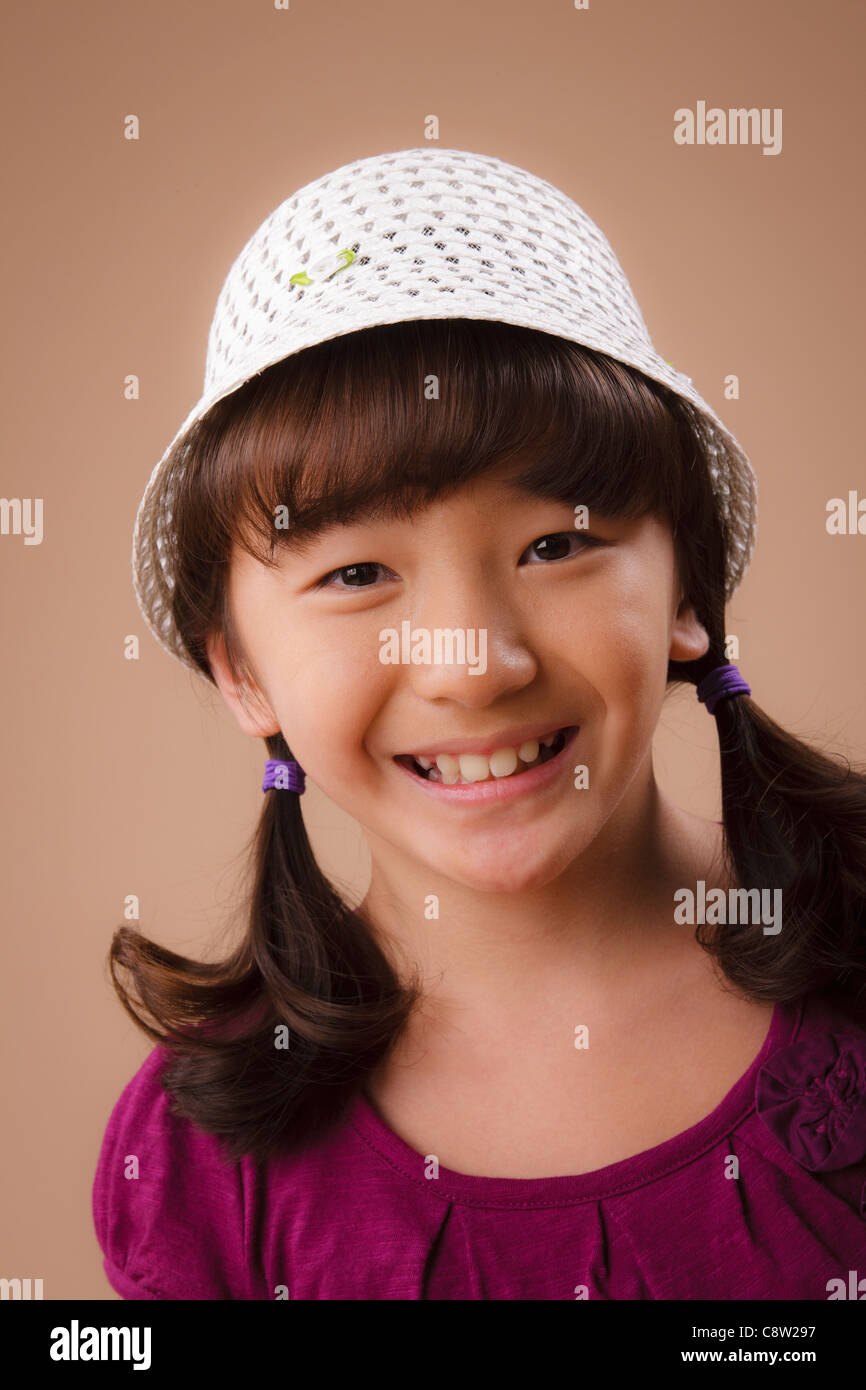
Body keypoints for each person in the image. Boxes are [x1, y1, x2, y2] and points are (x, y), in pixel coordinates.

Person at [92, 147, 866, 1300]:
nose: (473, 666)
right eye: (356, 573)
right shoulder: (207, 1152)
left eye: (554, 545)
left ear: (689, 593)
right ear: (241, 671)